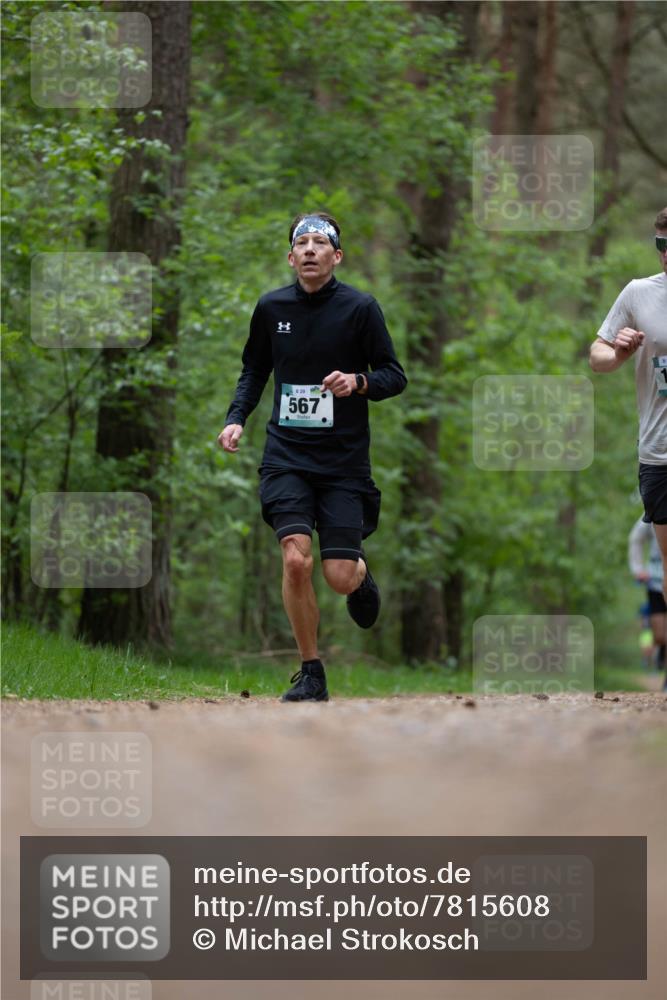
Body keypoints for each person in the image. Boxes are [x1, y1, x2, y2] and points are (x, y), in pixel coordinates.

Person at [218, 212, 407, 702]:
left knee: (338, 577)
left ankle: (360, 575)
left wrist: (358, 381)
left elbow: (394, 374)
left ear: (336, 256)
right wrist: (236, 417)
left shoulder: (361, 309)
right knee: (296, 560)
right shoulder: (270, 307)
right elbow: (254, 370)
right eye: (300, 242)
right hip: (286, 454)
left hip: (343, 462)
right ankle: (310, 671)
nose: (308, 249)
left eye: (319, 242)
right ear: (290, 257)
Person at [589, 207, 667, 678]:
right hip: (659, 450)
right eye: (662, 246)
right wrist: (616, 350)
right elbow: (596, 357)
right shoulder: (639, 294)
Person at [628, 516, 666, 672]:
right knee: (659, 635)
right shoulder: (654, 511)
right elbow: (636, 539)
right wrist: (638, 569)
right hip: (656, 582)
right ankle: (661, 655)